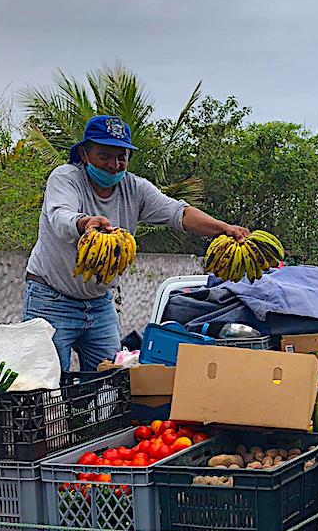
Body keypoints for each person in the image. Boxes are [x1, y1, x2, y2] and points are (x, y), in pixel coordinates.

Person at [23, 115, 249, 371]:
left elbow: (180, 213)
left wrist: (224, 228)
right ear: (85, 155)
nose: (114, 164)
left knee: (109, 381)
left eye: (121, 157)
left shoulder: (136, 188)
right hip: (52, 297)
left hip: (99, 303)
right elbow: (59, 215)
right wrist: (84, 223)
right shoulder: (65, 178)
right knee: (47, 384)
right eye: (104, 155)